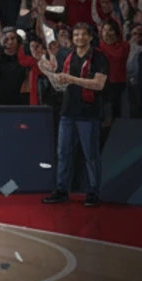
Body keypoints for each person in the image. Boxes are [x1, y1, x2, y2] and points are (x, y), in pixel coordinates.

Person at [43, 22, 109, 207]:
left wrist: (71, 79)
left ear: (90, 37)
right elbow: (61, 81)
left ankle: (93, 191)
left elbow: (98, 84)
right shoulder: (68, 56)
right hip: (68, 110)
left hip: (89, 112)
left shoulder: (98, 57)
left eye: (83, 34)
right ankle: (62, 189)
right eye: (76, 35)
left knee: (90, 154)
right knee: (63, 152)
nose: (79, 38)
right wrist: (54, 74)